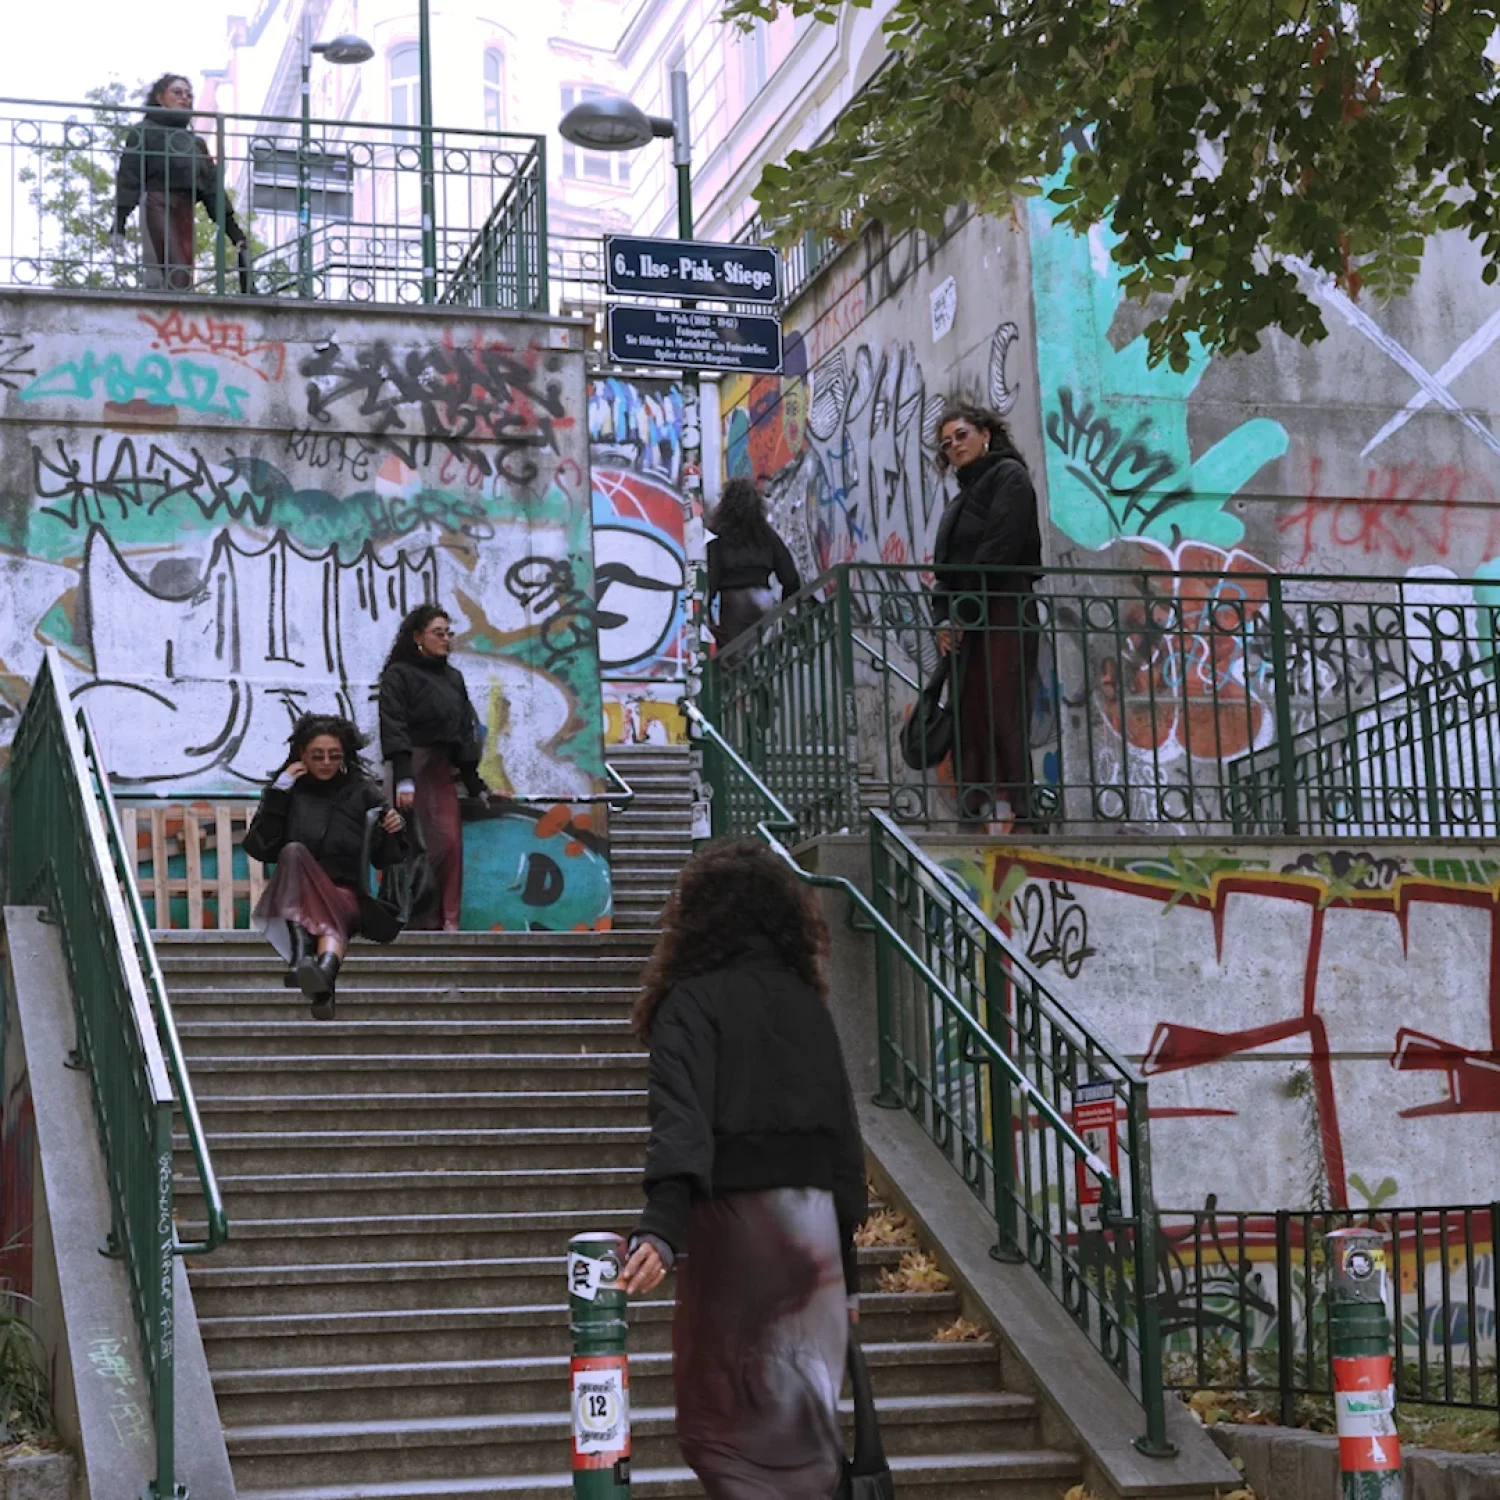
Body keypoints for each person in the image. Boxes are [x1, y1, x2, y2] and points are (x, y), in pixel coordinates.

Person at [620, 840, 867, 1500]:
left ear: (695, 919)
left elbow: (682, 1121)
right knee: (802, 1430)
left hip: (738, 1231)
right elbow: (844, 1141)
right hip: (813, 1236)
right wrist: (849, 1275)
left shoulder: (690, 1002)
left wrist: (662, 1228)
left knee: (725, 1427)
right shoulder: (807, 1006)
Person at [243, 714, 405, 1019]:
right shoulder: (288, 792)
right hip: (299, 895)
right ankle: (324, 981)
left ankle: (303, 961)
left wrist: (394, 829)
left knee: (329, 909)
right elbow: (259, 848)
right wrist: (279, 793)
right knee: (292, 853)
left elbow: (385, 858)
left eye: (334, 755)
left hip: (347, 895)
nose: (326, 762)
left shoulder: (364, 792)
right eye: (318, 755)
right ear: (302, 754)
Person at [930, 402, 1043, 828]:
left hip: (1003, 606)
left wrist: (961, 612)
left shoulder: (1010, 477)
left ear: (985, 435)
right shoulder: (957, 505)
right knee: (968, 711)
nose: (954, 446)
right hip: (966, 617)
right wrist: (944, 621)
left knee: (1003, 707)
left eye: (961, 435)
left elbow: (1000, 548)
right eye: (946, 442)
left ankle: (1024, 811)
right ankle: (974, 808)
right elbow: (944, 573)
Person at [379, 603, 489, 932]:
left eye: (448, 633)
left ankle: (448, 922)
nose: (445, 640)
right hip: (411, 768)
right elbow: (393, 724)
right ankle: (415, 922)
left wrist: (474, 783)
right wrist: (403, 779)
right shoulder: (398, 674)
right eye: (437, 633)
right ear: (417, 637)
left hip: (441, 773)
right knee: (412, 847)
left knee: (449, 846)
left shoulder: (453, 678)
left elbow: (464, 730)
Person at [112, 74, 247, 293]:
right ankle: (167, 321)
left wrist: (235, 234)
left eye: (188, 94)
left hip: (185, 210)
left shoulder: (195, 143)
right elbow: (129, 177)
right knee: (176, 272)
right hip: (157, 203)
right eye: (177, 93)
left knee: (182, 274)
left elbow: (212, 190)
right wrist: (119, 223)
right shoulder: (144, 132)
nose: (185, 98)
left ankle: (174, 321)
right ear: (160, 98)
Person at [707, 477, 803, 649]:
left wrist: (706, 612)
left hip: (734, 602)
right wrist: (786, 604)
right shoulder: (765, 532)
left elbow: (711, 577)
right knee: (761, 654)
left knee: (732, 658)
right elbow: (789, 575)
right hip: (763, 598)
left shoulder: (718, 534)